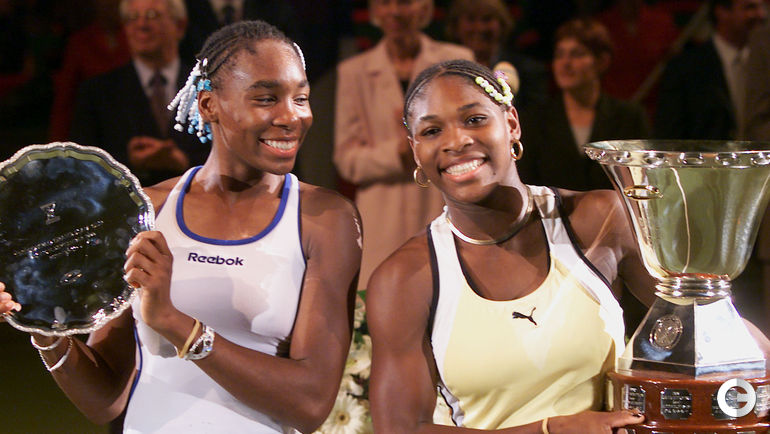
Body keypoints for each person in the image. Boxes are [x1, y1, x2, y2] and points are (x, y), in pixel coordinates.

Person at [0, 19, 361, 433]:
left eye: (301, 98)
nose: (291, 116)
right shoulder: (146, 211)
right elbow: (106, 400)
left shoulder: (325, 219)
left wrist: (175, 323)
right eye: (266, 98)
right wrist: (44, 330)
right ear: (209, 105)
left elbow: (310, 404)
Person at [366, 58, 657, 431]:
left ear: (512, 124)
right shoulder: (403, 279)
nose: (456, 141)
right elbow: (401, 429)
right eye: (432, 130)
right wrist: (550, 430)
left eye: (474, 119)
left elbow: (698, 325)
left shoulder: (601, 220)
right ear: (415, 150)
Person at [334, 0, 473, 290]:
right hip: (382, 222)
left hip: (443, 208)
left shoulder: (457, 60)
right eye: (385, 3)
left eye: (405, 2)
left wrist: (431, 145)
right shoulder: (354, 71)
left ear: (425, 7)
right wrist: (396, 154)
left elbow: (471, 136)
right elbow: (346, 159)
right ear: (374, 10)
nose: (396, 12)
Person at [70, 0, 209, 187]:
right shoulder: (96, 92)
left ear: (179, 25)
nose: (141, 25)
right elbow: (81, 165)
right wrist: (128, 161)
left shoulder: (208, 87)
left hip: (195, 198)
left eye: (152, 15)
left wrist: (184, 162)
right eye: (133, 18)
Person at [517, 18, 649, 192]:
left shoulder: (630, 117)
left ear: (602, 61)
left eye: (577, 54)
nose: (565, 63)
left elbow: (641, 181)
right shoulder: (533, 119)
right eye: (559, 55)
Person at [654, 0, 767, 140]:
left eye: (762, 7)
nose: (761, 14)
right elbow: (669, 134)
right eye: (750, 7)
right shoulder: (685, 68)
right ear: (722, 12)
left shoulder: (765, 62)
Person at [444, 0, 548, 112]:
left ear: (502, 24)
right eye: (471, 19)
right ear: (456, 26)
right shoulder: (444, 71)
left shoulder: (528, 70)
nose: (479, 28)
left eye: (487, 19)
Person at [48, 0, 130, 141]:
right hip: (90, 129)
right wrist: (57, 143)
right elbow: (65, 98)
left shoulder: (136, 38)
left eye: (114, 4)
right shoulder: (80, 42)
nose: (110, 7)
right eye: (105, 4)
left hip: (130, 126)